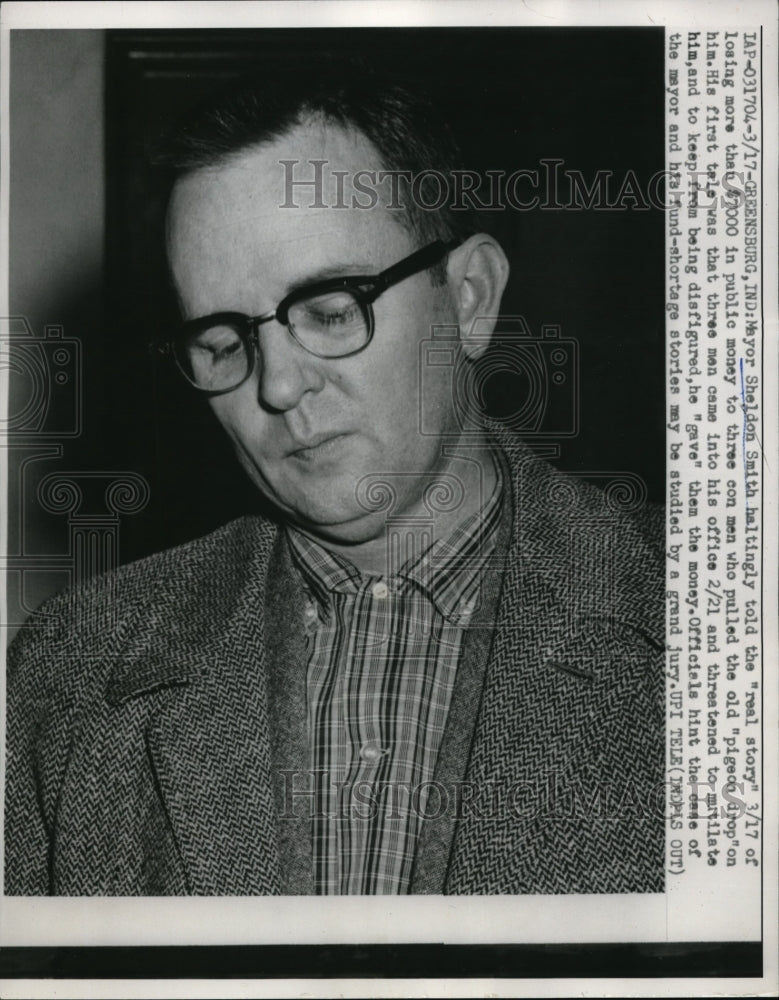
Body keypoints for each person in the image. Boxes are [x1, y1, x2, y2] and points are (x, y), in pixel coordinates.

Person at [4, 65, 665, 896]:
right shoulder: (69, 673)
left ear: (468, 297)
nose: (277, 386)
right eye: (221, 340)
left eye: (327, 308)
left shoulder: (720, 629)